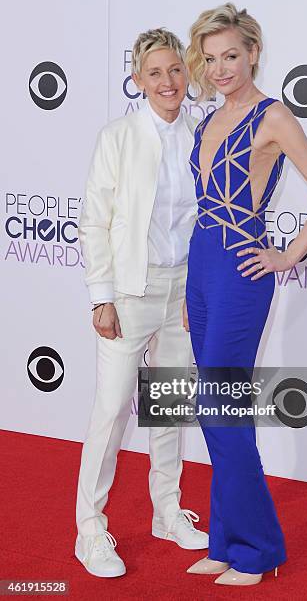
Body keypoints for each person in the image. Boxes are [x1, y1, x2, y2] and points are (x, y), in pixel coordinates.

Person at [184, 3, 307, 586]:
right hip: (201, 269)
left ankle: (258, 547)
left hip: (240, 270)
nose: (222, 68)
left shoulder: (272, 117)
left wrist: (286, 253)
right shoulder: (208, 118)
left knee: (220, 410)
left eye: (232, 55)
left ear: (253, 52)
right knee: (215, 410)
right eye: (211, 58)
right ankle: (226, 539)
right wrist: (187, 287)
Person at [75, 28, 208, 579]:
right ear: (137, 80)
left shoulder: (203, 131)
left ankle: (166, 511)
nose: (168, 81)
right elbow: (94, 221)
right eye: (155, 72)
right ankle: (89, 530)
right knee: (110, 412)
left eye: (175, 69)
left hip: (183, 288)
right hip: (130, 291)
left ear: (186, 72)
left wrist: (197, 289)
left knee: (169, 405)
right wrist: (101, 297)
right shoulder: (118, 137)